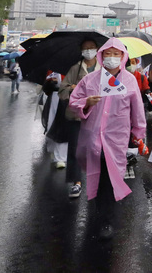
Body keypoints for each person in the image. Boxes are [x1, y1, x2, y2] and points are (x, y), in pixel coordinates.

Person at [68, 38, 146, 240]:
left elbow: (137, 110)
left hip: (116, 139)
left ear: (123, 57)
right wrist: (86, 102)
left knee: (110, 179)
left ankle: (107, 219)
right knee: (97, 175)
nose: (112, 58)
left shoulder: (129, 81)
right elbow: (73, 102)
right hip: (92, 137)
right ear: (101, 55)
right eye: (108, 53)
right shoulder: (91, 80)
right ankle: (99, 212)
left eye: (116, 54)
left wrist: (139, 135)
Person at [59, 39, 101, 199]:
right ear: (81, 51)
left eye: (91, 48)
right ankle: (77, 182)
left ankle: (96, 179)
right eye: (85, 48)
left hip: (97, 117)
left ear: (97, 50)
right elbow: (62, 90)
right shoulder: (75, 69)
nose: (89, 51)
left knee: (96, 150)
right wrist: (72, 89)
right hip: (77, 117)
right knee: (76, 149)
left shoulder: (104, 69)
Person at [41, 71, 68, 168]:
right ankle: (53, 150)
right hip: (54, 100)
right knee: (51, 125)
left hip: (67, 100)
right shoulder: (51, 71)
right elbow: (46, 88)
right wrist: (51, 82)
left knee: (63, 128)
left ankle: (60, 158)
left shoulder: (75, 69)